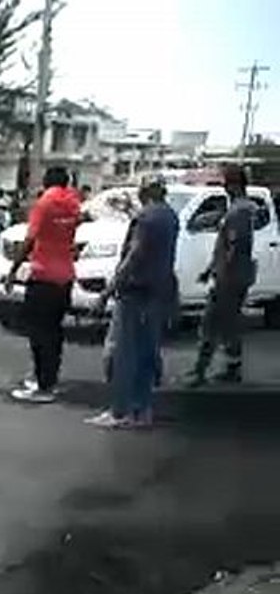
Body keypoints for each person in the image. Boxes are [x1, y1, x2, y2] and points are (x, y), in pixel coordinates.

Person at [89, 176, 178, 428]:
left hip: (136, 291)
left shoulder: (146, 219)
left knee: (124, 353)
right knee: (147, 353)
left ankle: (121, 411)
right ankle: (142, 409)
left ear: (145, 192)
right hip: (158, 290)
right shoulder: (169, 216)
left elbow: (135, 254)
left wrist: (107, 291)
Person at [7, 166, 81, 403]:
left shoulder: (44, 203)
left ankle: (42, 386)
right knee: (54, 331)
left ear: (47, 181)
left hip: (43, 275)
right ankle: (49, 378)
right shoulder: (73, 203)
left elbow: (30, 239)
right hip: (65, 276)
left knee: (38, 332)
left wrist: (13, 269)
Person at [186, 164, 257, 386]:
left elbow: (235, 246)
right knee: (227, 323)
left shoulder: (240, 211)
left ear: (234, 184)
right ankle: (231, 367)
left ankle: (200, 370)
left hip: (230, 277)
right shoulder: (239, 208)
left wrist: (221, 273)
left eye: (226, 182)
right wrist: (210, 270)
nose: (224, 187)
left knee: (211, 322)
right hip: (232, 274)